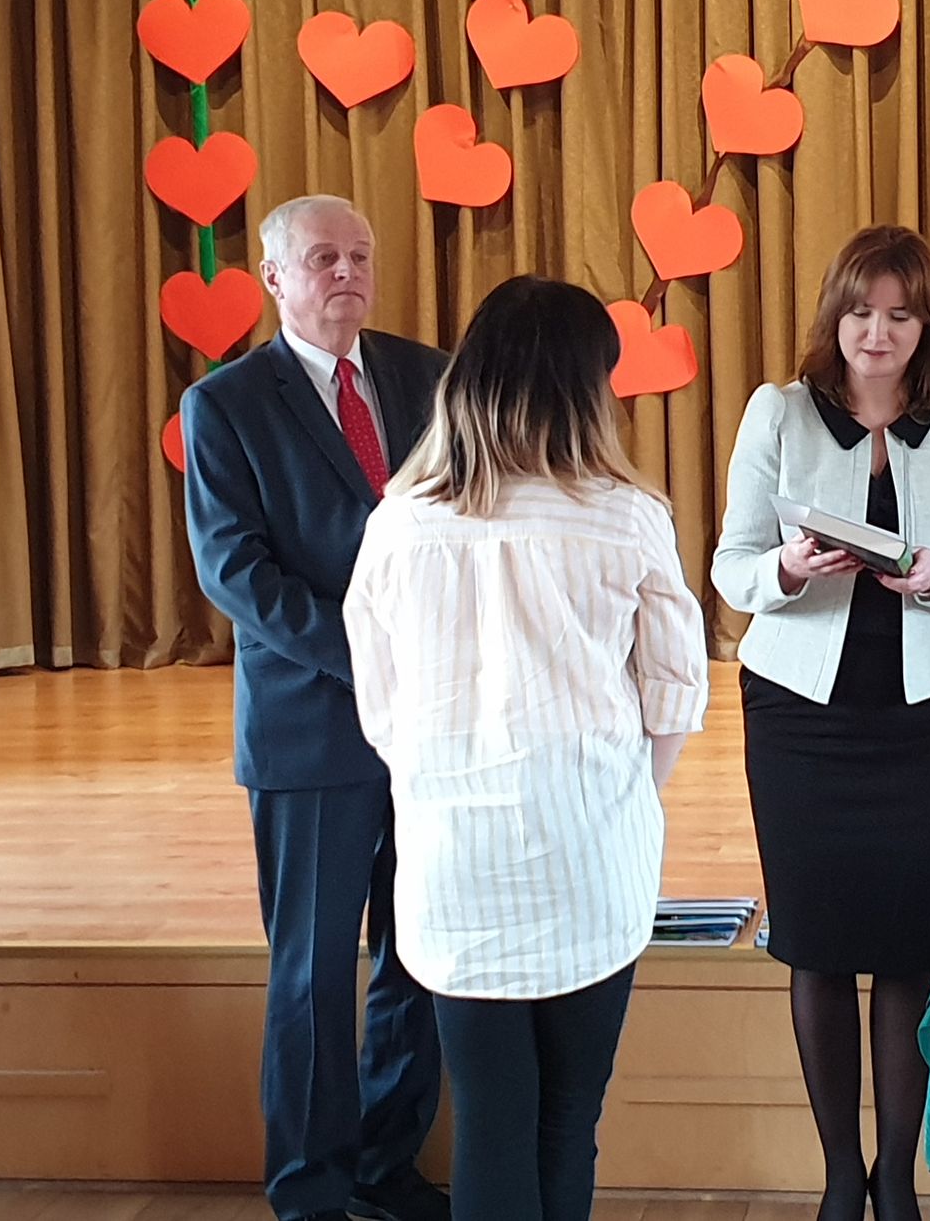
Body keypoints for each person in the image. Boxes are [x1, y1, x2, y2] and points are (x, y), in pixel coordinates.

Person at [344, 275, 709, 1221]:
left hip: (453, 862)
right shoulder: (626, 515)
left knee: (490, 1123)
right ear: (586, 389)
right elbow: (674, 693)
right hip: (590, 854)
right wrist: (620, 794)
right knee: (567, 1121)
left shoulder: (399, 521)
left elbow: (381, 712)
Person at [712, 226, 930, 1221]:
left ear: (927, 324)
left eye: (897, 314)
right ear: (833, 316)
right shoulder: (779, 412)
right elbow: (730, 568)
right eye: (858, 311)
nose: (875, 332)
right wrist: (788, 568)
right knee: (814, 943)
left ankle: (895, 1179)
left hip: (918, 719)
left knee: (905, 943)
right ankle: (840, 1178)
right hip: (799, 718)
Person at [183, 195, 449, 1221]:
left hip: (432, 722)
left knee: (417, 957)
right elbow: (234, 571)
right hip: (312, 725)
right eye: (324, 257)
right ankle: (310, 1191)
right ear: (274, 279)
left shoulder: (428, 377)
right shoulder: (225, 405)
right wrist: (367, 658)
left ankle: (386, 1170)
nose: (347, 272)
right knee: (311, 973)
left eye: (360, 255)